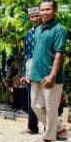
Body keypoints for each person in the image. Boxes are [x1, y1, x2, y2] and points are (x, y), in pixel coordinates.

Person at [29, 0, 68, 142]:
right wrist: (29, 73)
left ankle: (48, 138)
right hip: (36, 75)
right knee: (35, 106)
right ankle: (58, 129)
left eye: (48, 9)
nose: (44, 12)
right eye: (42, 9)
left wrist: (52, 75)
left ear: (55, 11)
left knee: (51, 108)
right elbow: (37, 53)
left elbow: (59, 54)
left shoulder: (59, 30)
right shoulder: (38, 29)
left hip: (51, 76)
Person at [19, 7, 42, 135]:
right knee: (31, 101)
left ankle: (50, 129)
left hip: (41, 69)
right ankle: (32, 127)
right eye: (32, 17)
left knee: (43, 101)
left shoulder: (45, 32)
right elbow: (27, 54)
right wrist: (23, 74)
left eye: (36, 16)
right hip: (29, 70)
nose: (34, 19)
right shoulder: (29, 33)